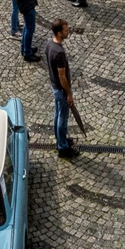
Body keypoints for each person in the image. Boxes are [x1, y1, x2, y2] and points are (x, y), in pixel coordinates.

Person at [45, 18, 78, 160]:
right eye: (65, 30)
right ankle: (63, 148)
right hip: (61, 89)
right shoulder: (59, 52)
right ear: (59, 33)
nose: (68, 31)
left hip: (54, 86)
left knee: (57, 115)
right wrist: (69, 93)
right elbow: (62, 76)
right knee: (62, 118)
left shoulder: (49, 44)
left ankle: (60, 140)